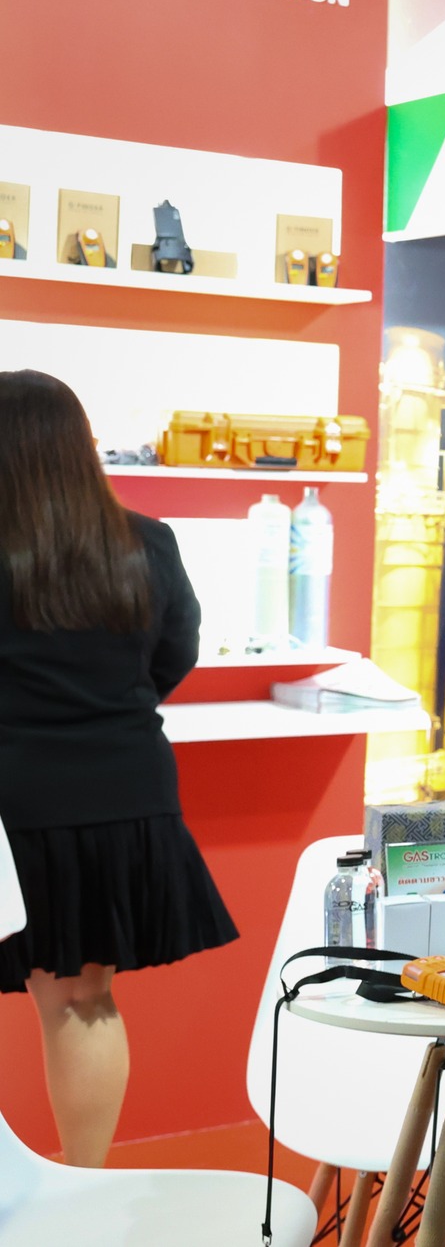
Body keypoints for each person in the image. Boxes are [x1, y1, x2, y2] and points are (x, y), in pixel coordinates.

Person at [0, 370, 238, 1167]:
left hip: (15, 806)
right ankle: (84, 1181)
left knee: (62, 999)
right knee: (85, 998)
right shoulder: (146, 542)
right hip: (126, 798)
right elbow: (176, 653)